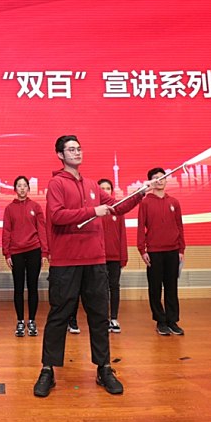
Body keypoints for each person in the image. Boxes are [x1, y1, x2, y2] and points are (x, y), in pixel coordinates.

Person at [33, 136, 147, 398]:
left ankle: (104, 368)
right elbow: (57, 216)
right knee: (59, 316)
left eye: (79, 148)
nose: (77, 152)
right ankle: (48, 370)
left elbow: (116, 207)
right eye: (71, 149)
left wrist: (141, 193)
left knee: (98, 316)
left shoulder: (92, 184)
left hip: (95, 261)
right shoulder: (56, 183)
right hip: (66, 262)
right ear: (60, 155)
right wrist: (92, 212)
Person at [137, 167, 186, 337]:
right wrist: (142, 250)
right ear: (151, 181)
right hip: (154, 252)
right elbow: (140, 227)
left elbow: (179, 226)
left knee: (171, 287)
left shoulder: (174, 202)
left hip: (173, 251)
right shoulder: (145, 202)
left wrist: (181, 249)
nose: (160, 180)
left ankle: (172, 321)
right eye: (156, 178)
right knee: (155, 287)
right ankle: (160, 321)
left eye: (163, 177)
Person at [1, 176, 48, 337]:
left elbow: (41, 229)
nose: (22, 188)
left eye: (24, 185)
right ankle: (20, 321)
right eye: (19, 186)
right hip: (16, 252)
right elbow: (6, 231)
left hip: (34, 250)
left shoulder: (36, 206)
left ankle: (32, 321)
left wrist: (44, 252)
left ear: (28, 188)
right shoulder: (9, 209)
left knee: (33, 287)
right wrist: (7, 252)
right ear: (15, 189)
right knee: (18, 287)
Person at [98, 178, 128, 333]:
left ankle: (114, 318)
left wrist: (123, 257)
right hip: (98, 258)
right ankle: (102, 319)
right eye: (102, 188)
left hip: (115, 257)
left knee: (114, 287)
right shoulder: (94, 211)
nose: (105, 191)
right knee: (100, 289)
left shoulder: (118, 210)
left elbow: (122, 235)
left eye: (108, 188)